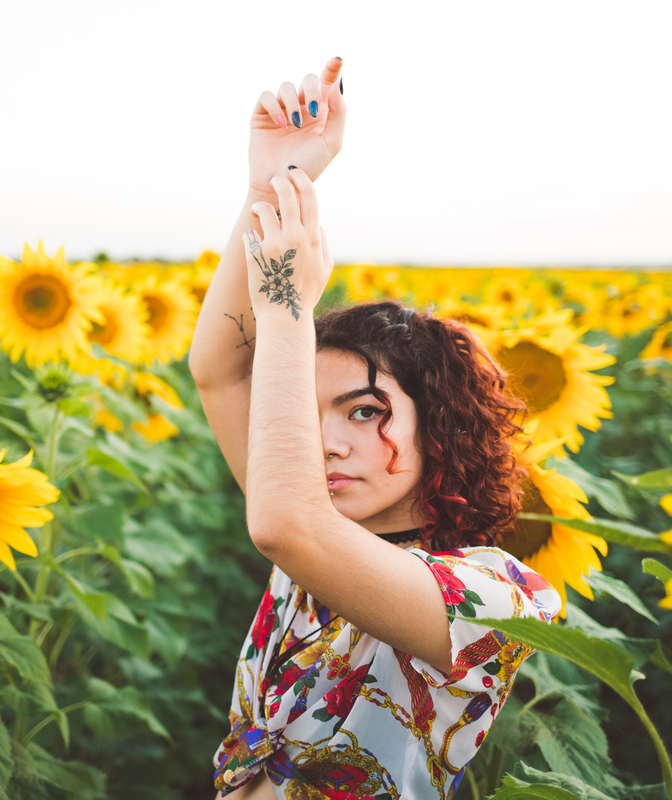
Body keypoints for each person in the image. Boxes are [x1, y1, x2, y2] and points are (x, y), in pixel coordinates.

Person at [188, 57, 562, 800]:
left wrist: (287, 305)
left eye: (364, 411)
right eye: (309, 411)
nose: (324, 442)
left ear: (443, 427)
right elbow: (221, 371)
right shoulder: (320, 533)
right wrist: (274, 184)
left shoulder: (500, 597)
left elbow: (286, 526)